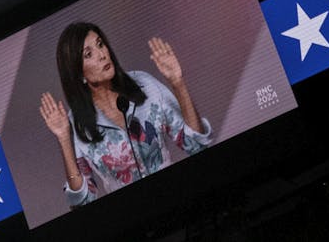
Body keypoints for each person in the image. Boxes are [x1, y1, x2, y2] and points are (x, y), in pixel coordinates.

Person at [38, 22, 210, 207]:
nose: (102, 55)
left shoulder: (145, 85)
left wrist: (178, 83)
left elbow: (196, 145)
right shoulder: (76, 125)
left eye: (100, 44)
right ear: (78, 73)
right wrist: (64, 138)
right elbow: (83, 202)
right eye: (89, 54)